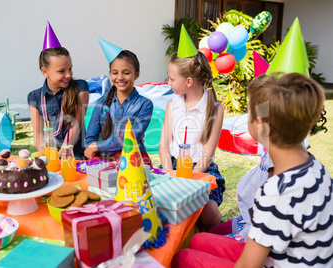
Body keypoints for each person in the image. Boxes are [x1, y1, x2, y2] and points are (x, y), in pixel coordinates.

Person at [172, 73, 333, 268]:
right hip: (285, 255)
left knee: (184, 257)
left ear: (261, 126)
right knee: (198, 240)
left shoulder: (276, 191)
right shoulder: (316, 168)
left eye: (249, 113)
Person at [159, 51, 225, 230]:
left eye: (172, 79)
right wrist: (167, 172)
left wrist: (190, 182)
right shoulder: (172, 105)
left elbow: (207, 154)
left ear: (188, 82)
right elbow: (164, 144)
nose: (168, 82)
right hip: (171, 167)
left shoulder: (215, 109)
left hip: (200, 170)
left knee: (209, 214)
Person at [84, 49, 153, 166]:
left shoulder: (145, 105)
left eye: (126, 73)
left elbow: (130, 139)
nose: (120, 77)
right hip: (104, 158)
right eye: (115, 73)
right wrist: (112, 154)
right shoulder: (101, 104)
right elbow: (89, 141)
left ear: (137, 74)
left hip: (133, 158)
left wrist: (97, 146)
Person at [27, 46, 89, 159]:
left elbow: (77, 123)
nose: (69, 74)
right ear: (44, 71)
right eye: (62, 71)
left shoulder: (80, 88)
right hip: (52, 157)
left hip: (76, 156)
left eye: (70, 68)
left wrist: (65, 149)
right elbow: (38, 134)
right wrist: (47, 156)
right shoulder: (34, 97)